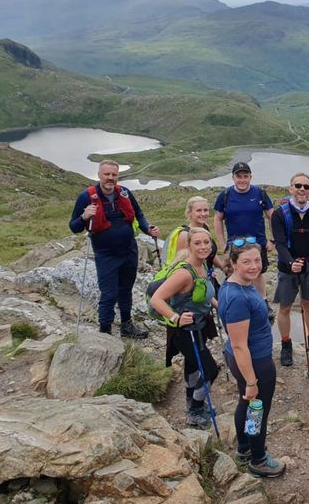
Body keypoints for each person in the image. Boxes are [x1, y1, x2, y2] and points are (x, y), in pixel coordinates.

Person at [217, 238, 286, 478]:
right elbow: (239, 345)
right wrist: (252, 381)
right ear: (234, 263)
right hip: (254, 361)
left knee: (246, 403)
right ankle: (258, 460)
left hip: (247, 359)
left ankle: (245, 448)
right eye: (246, 261)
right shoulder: (238, 298)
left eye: (257, 260)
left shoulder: (235, 286)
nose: (254, 266)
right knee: (258, 409)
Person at [69, 159, 159, 338]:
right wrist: (84, 216)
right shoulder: (86, 197)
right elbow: (74, 226)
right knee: (109, 294)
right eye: (107, 174)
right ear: (99, 175)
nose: (110, 178)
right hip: (106, 254)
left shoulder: (124, 193)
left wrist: (148, 229)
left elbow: (139, 215)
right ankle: (105, 331)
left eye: (114, 175)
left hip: (128, 250)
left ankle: (127, 326)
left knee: (126, 290)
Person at [149, 227, 219, 428]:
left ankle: (191, 403)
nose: (203, 246)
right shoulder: (183, 273)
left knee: (193, 365)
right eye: (197, 243)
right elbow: (157, 299)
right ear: (188, 246)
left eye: (206, 242)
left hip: (199, 325)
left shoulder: (202, 265)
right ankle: (196, 409)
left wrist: (218, 305)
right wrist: (176, 317)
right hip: (184, 330)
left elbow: (204, 291)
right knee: (211, 370)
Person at [271, 173, 309, 367]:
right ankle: (286, 345)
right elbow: (279, 243)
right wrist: (290, 263)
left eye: (306, 186)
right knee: (285, 307)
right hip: (288, 269)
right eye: (298, 185)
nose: (302, 189)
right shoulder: (280, 214)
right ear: (290, 189)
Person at [213, 162, 275, 299]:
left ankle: (262, 303)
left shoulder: (260, 194)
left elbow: (272, 216)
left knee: (257, 273)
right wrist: (222, 243)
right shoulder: (225, 195)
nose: (242, 180)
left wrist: (272, 240)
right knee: (234, 274)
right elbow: (218, 218)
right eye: (239, 176)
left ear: (250, 177)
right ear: (233, 177)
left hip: (258, 243)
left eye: (245, 176)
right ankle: (237, 302)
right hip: (234, 245)